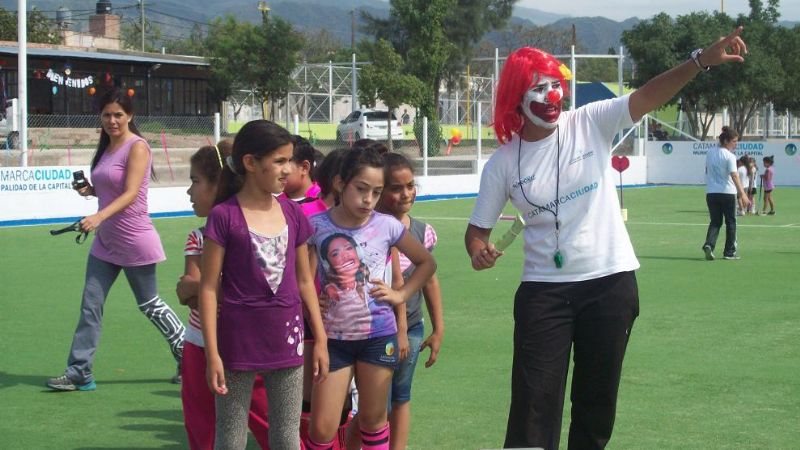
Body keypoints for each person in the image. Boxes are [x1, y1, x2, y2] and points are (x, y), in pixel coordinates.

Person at [464, 28, 748, 449]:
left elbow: (648, 95)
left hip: (610, 285)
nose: (552, 95)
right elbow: (477, 232)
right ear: (516, 97)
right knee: (533, 405)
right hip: (543, 292)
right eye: (539, 88)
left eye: (555, 84)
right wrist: (479, 251)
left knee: (596, 405)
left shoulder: (589, 122)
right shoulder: (503, 163)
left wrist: (699, 61)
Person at [198, 120, 329, 449]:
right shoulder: (223, 216)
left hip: (287, 339)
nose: (288, 169)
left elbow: (304, 281)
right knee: (230, 437)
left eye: (290, 161)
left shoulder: (293, 214)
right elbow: (209, 288)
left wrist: (321, 338)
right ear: (250, 163)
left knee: (286, 436)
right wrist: (212, 354)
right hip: (236, 342)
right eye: (279, 161)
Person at [46, 89, 185, 392]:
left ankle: (188, 356)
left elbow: (131, 193)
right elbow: (110, 188)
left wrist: (98, 216)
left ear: (130, 116)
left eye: (118, 115)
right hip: (106, 242)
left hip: (134, 238)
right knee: (90, 305)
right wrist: (90, 191)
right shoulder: (106, 147)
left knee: (150, 304)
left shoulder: (138, 147)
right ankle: (79, 371)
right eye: (107, 115)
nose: (112, 120)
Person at [304, 148, 436, 450]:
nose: (369, 199)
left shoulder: (387, 225)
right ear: (340, 183)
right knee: (322, 428)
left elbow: (427, 263)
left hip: (378, 337)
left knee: (374, 420)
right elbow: (302, 278)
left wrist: (399, 294)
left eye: (376, 192)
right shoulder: (316, 225)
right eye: (361, 189)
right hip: (332, 340)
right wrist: (311, 304)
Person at [176, 141, 270, 449]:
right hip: (199, 343)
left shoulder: (250, 234)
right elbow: (187, 293)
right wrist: (212, 289)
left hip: (245, 345)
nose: (189, 191)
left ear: (219, 183)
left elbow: (205, 289)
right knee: (201, 428)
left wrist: (208, 288)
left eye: (195, 181)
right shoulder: (197, 237)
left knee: (272, 426)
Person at [376, 152, 445, 450]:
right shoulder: (375, 228)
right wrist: (400, 330)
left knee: (402, 396)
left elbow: (429, 279)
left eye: (410, 185)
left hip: (413, 327)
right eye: (396, 188)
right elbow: (395, 282)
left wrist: (438, 329)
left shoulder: (421, 231)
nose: (406, 193)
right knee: (375, 404)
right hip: (379, 330)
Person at [703, 126, 750, 261]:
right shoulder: (730, 156)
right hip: (727, 193)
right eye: (734, 141)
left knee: (715, 221)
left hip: (711, 193)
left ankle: (709, 244)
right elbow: (734, 175)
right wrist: (743, 194)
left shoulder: (710, 152)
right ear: (726, 141)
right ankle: (729, 252)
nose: (736, 144)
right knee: (731, 222)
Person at [280, 135, 327, 217]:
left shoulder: (324, 201)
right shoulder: (273, 202)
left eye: (282, 163)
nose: (276, 170)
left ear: (304, 167)